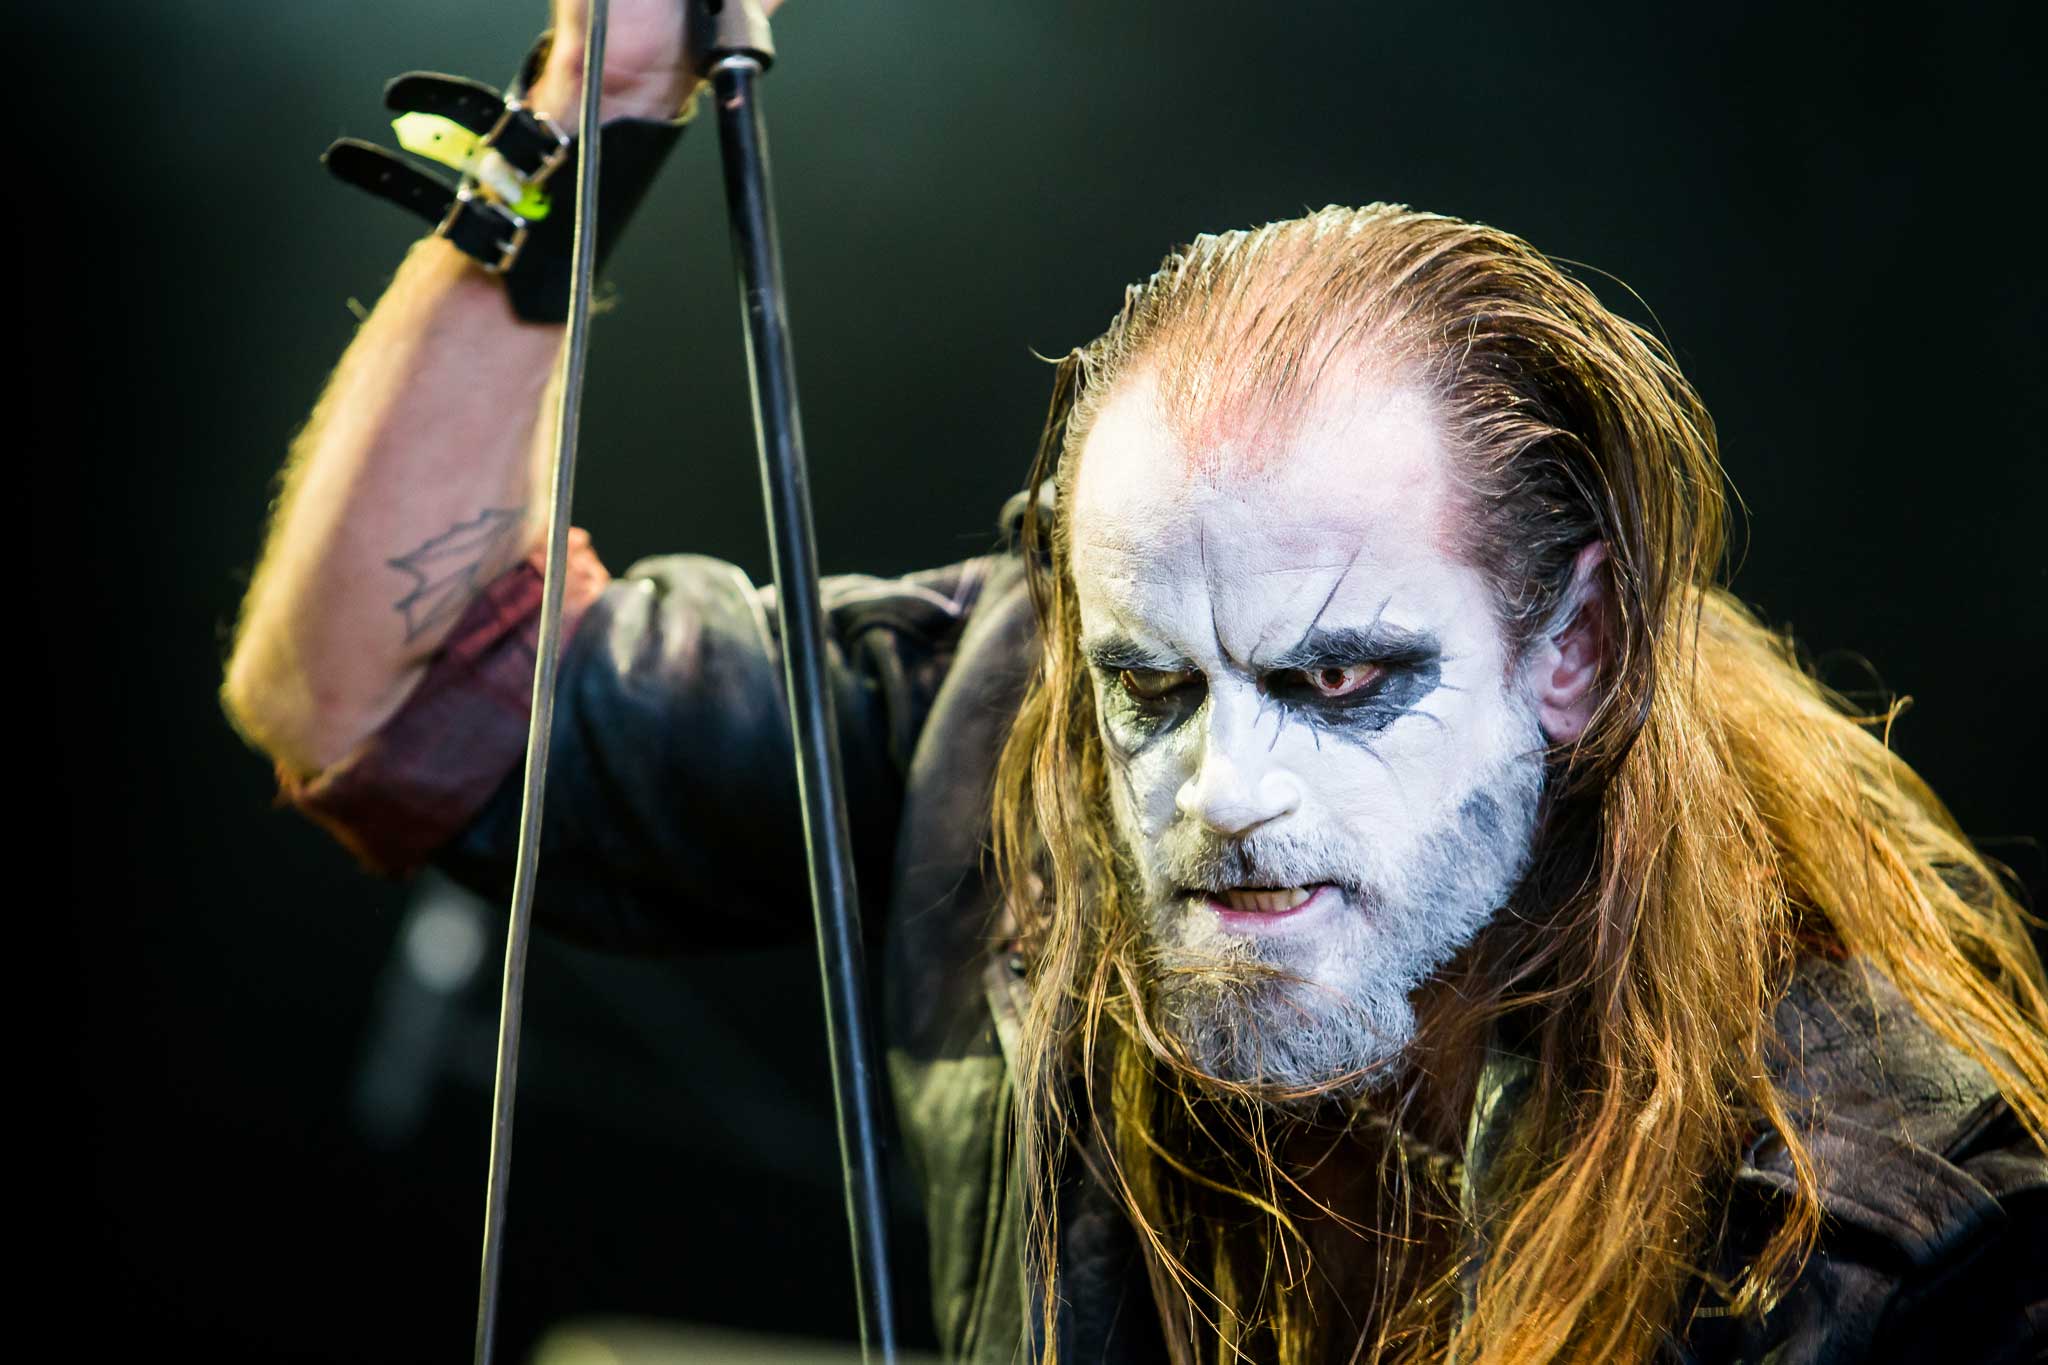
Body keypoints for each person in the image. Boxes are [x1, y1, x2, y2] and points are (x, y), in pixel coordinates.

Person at [223, 3, 2048, 1362]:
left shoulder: (1882, 1233)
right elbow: (366, 689)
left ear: (1572, 648)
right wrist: (598, 105)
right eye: (1154, 688)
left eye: (1340, 675)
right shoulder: (1009, 719)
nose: (1222, 790)